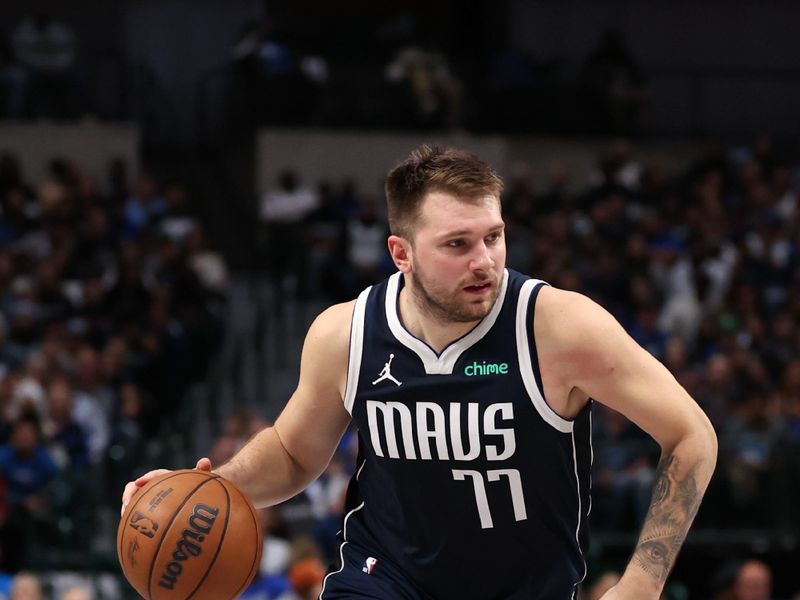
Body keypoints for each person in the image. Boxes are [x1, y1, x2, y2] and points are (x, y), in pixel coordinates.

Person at [123, 145, 717, 599]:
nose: (484, 261)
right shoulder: (346, 333)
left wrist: (642, 580)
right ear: (400, 253)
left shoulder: (558, 327)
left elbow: (692, 434)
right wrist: (207, 489)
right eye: (457, 244)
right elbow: (295, 454)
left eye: (494, 237)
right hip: (385, 578)